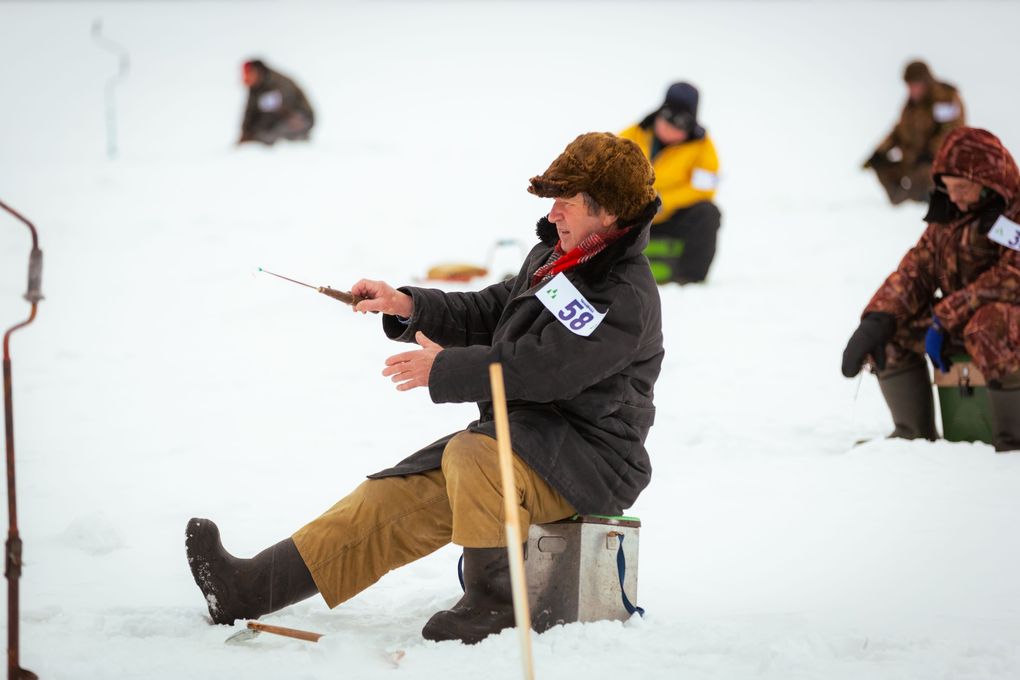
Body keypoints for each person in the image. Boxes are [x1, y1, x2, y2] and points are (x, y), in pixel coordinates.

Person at [185, 132, 665, 644]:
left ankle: (494, 607)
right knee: (394, 496)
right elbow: (490, 311)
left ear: (609, 212)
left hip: (589, 461)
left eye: (566, 203)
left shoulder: (622, 294)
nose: (553, 214)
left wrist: (446, 369)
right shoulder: (553, 257)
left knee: (473, 454)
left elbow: (549, 368)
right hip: (527, 441)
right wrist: (408, 306)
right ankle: (251, 589)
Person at [842, 127, 1020, 452]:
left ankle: (1013, 443)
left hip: (1004, 328)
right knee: (895, 329)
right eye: (949, 188)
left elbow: (1013, 277)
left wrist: (944, 317)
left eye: (963, 187)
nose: (955, 197)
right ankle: (913, 437)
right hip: (959, 324)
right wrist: (877, 319)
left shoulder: (1015, 215)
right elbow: (916, 270)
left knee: (990, 324)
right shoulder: (948, 219)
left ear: (989, 180)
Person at [619, 81, 721, 284]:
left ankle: (689, 278)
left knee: (708, 214)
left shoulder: (702, 147)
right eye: (667, 119)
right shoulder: (632, 135)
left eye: (681, 124)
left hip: (670, 219)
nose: (671, 129)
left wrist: (663, 201)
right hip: (632, 218)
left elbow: (704, 189)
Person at [863, 60, 965, 205]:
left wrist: (931, 154)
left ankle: (923, 199)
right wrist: (879, 152)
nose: (911, 89)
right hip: (912, 163)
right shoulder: (911, 105)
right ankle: (904, 200)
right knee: (881, 165)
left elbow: (950, 132)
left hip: (938, 165)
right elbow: (898, 131)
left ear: (925, 82)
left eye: (914, 85)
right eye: (909, 85)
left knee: (924, 174)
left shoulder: (944, 98)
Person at [238, 59, 315, 145]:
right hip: (278, 118)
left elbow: (279, 110)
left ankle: (299, 137)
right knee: (261, 136)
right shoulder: (255, 88)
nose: (246, 77)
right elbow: (251, 111)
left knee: (268, 137)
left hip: (299, 117)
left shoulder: (278, 83)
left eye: (249, 73)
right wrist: (246, 132)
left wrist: (255, 132)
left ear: (257, 71)